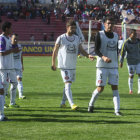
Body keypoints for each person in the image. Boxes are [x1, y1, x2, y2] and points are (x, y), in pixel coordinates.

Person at [51, 19, 95, 110]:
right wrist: (53, 63)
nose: (73, 29)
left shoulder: (77, 38)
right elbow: (55, 51)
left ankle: (63, 103)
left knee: (68, 84)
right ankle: (72, 104)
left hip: (72, 66)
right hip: (63, 66)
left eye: (74, 28)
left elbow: (81, 49)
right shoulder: (61, 38)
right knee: (68, 84)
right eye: (71, 27)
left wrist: (88, 55)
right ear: (67, 28)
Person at [88, 16, 121, 116]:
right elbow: (96, 50)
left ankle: (117, 111)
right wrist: (103, 57)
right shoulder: (100, 34)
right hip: (102, 66)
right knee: (100, 89)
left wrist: (117, 60)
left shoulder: (116, 35)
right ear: (104, 24)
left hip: (113, 66)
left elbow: (116, 50)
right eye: (108, 23)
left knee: (115, 88)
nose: (110, 25)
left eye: (112, 23)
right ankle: (91, 104)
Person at [0, 21, 20, 109]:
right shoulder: (1, 39)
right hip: (4, 67)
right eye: (10, 28)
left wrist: (15, 49)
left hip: (11, 66)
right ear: (7, 28)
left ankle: (12, 103)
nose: (12, 30)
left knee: (15, 83)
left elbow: (10, 49)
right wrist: (12, 50)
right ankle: (3, 103)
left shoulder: (8, 38)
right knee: (4, 86)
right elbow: (1, 53)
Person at [120, 29, 140, 94]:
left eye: (136, 34)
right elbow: (122, 52)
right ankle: (131, 90)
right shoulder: (126, 42)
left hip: (138, 61)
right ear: (130, 35)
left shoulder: (138, 41)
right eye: (134, 34)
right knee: (131, 75)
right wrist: (121, 61)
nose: (135, 36)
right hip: (130, 62)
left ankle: (139, 90)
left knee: (139, 74)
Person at [11, 33, 26, 99]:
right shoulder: (9, 47)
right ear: (11, 39)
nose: (16, 40)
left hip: (18, 66)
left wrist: (22, 65)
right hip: (11, 67)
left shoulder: (19, 46)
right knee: (12, 82)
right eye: (14, 39)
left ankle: (20, 95)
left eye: (17, 39)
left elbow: (21, 56)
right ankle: (6, 95)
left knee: (19, 80)